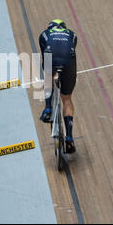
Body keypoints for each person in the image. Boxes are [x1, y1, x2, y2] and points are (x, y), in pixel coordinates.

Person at [39, 19, 77, 153]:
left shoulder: (44, 34)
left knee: (48, 76)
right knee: (66, 98)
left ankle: (48, 108)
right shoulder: (72, 34)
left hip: (51, 55)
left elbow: (45, 57)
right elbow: (71, 50)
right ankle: (69, 137)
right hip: (68, 59)